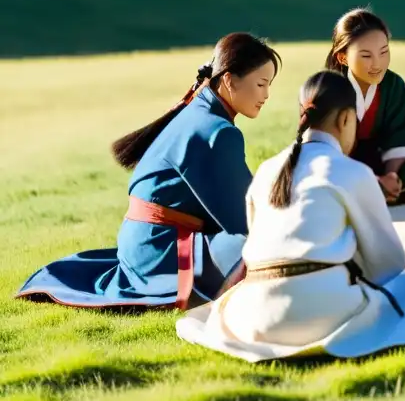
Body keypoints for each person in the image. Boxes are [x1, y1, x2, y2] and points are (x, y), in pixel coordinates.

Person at [175, 70, 405, 362]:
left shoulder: (268, 169)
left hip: (259, 314)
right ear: (346, 119)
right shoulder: (352, 171)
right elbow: (387, 264)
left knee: (221, 309)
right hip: (321, 309)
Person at [16, 33, 281, 310]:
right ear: (229, 80)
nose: (266, 95)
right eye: (261, 84)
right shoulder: (217, 131)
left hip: (143, 244)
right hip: (162, 252)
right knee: (265, 247)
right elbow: (243, 219)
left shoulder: (197, 113)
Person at [324, 8, 405, 205]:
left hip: (381, 164)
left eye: (384, 52)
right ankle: (370, 193)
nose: (377, 64)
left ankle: (382, 193)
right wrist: (371, 180)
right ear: (342, 57)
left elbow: (400, 138)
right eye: (366, 56)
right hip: (342, 167)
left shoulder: (393, 85)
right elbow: (323, 151)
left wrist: (391, 177)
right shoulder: (328, 89)